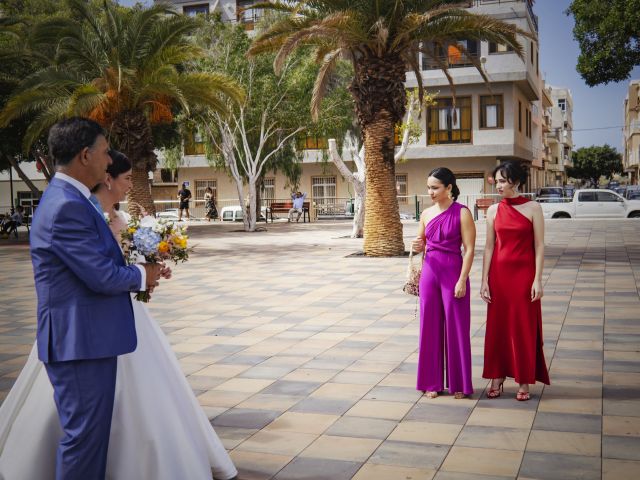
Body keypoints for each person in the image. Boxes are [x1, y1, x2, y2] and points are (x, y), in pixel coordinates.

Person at [0, 147, 238, 480]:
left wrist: (146, 272)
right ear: (103, 174)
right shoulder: (77, 210)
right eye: (126, 178)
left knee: (99, 423)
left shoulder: (103, 213)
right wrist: (142, 275)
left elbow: (108, 267)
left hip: (111, 318)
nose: (129, 185)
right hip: (86, 328)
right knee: (83, 428)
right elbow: (98, 274)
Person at [4, 117, 162, 480]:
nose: (110, 161)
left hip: (87, 340)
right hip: (79, 343)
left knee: (90, 438)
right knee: (84, 440)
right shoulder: (66, 205)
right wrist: (143, 274)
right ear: (85, 154)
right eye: (106, 153)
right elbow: (102, 275)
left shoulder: (74, 198)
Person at [481, 161, 550, 401]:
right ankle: (497, 377)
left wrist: (537, 280)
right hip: (499, 277)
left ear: (517, 182)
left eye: (502, 181)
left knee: (523, 327)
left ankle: (523, 380)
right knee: (498, 328)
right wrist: (484, 281)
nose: (498, 185)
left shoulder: (533, 208)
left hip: (524, 277)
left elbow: (539, 245)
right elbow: (489, 247)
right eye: (496, 181)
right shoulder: (493, 210)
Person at [411, 168, 475, 399]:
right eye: (428, 187)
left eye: (435, 187)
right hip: (430, 272)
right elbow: (422, 244)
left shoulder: (463, 213)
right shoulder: (426, 214)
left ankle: (459, 384)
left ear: (449, 188)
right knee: (428, 327)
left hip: (453, 272)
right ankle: (431, 382)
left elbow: (469, 250)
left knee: (457, 327)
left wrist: (462, 280)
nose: (430, 192)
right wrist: (416, 245)